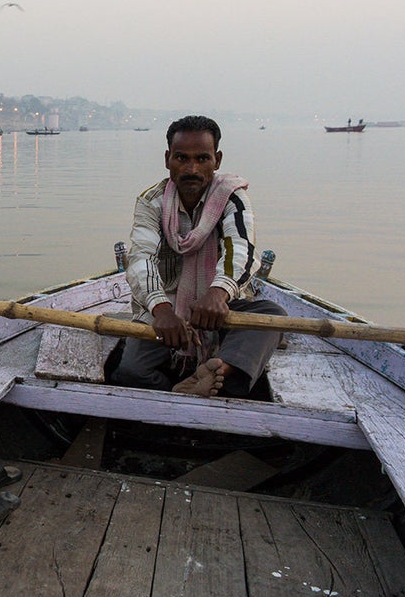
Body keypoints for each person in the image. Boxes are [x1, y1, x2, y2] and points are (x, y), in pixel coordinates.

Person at [112, 115, 286, 397]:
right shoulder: (151, 201)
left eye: (202, 159)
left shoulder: (232, 197)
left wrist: (218, 293)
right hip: (167, 312)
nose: (191, 168)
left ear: (216, 160)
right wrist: (161, 310)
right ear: (168, 159)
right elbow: (142, 260)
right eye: (181, 158)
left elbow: (241, 248)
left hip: (221, 309)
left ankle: (220, 370)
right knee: (131, 371)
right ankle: (186, 389)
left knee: (272, 316)